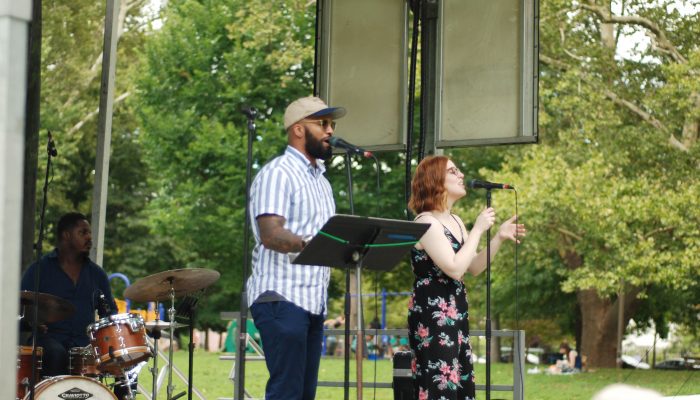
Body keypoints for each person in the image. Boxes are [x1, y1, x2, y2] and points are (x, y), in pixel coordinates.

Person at [247, 96, 346, 400]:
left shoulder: (322, 183)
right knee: (286, 392)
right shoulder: (279, 173)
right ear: (299, 129)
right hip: (281, 297)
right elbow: (270, 234)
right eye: (323, 123)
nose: (330, 130)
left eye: (332, 124)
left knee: (304, 394)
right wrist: (313, 244)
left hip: (313, 301)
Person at [406, 156, 526, 400]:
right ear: (435, 180)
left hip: (456, 312)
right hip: (433, 316)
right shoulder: (426, 221)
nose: (461, 175)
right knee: (440, 386)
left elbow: (473, 267)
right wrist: (480, 228)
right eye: (453, 171)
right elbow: (454, 268)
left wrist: (499, 238)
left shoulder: (456, 221)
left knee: (460, 385)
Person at [20, 212, 117, 377]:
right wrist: (31, 323)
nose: (89, 238)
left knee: (123, 360)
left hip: (84, 344)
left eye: (89, 233)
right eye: (83, 232)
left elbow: (110, 314)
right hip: (48, 341)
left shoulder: (97, 274)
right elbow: (17, 310)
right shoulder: (39, 270)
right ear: (66, 235)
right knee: (56, 353)